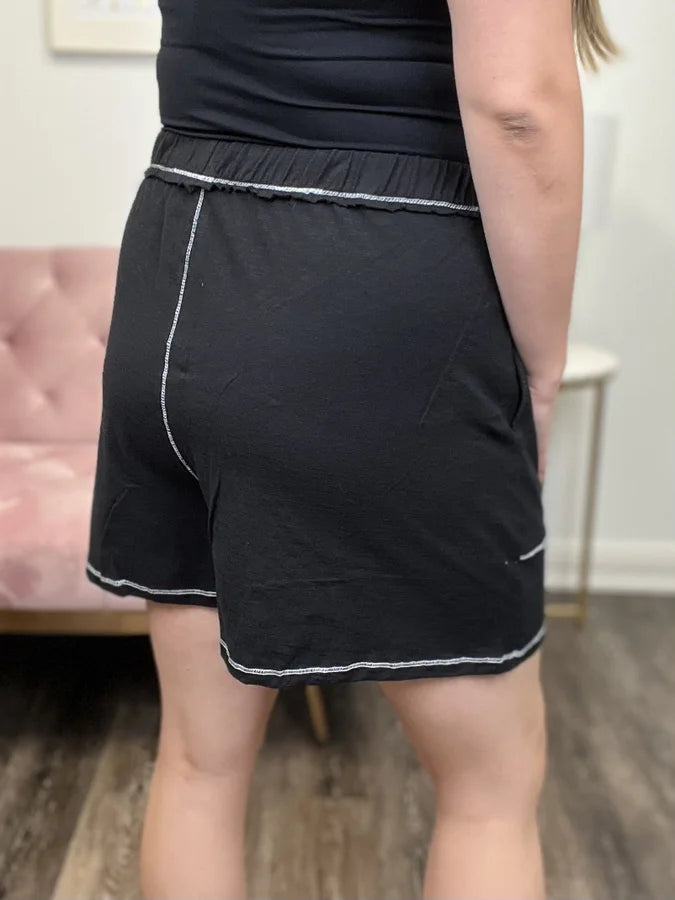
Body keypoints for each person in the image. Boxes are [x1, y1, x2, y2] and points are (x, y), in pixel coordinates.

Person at [86, 0, 617, 896]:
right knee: (489, 790)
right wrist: (540, 365)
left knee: (199, 763)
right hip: (362, 278)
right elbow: (517, 104)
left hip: (170, 267)